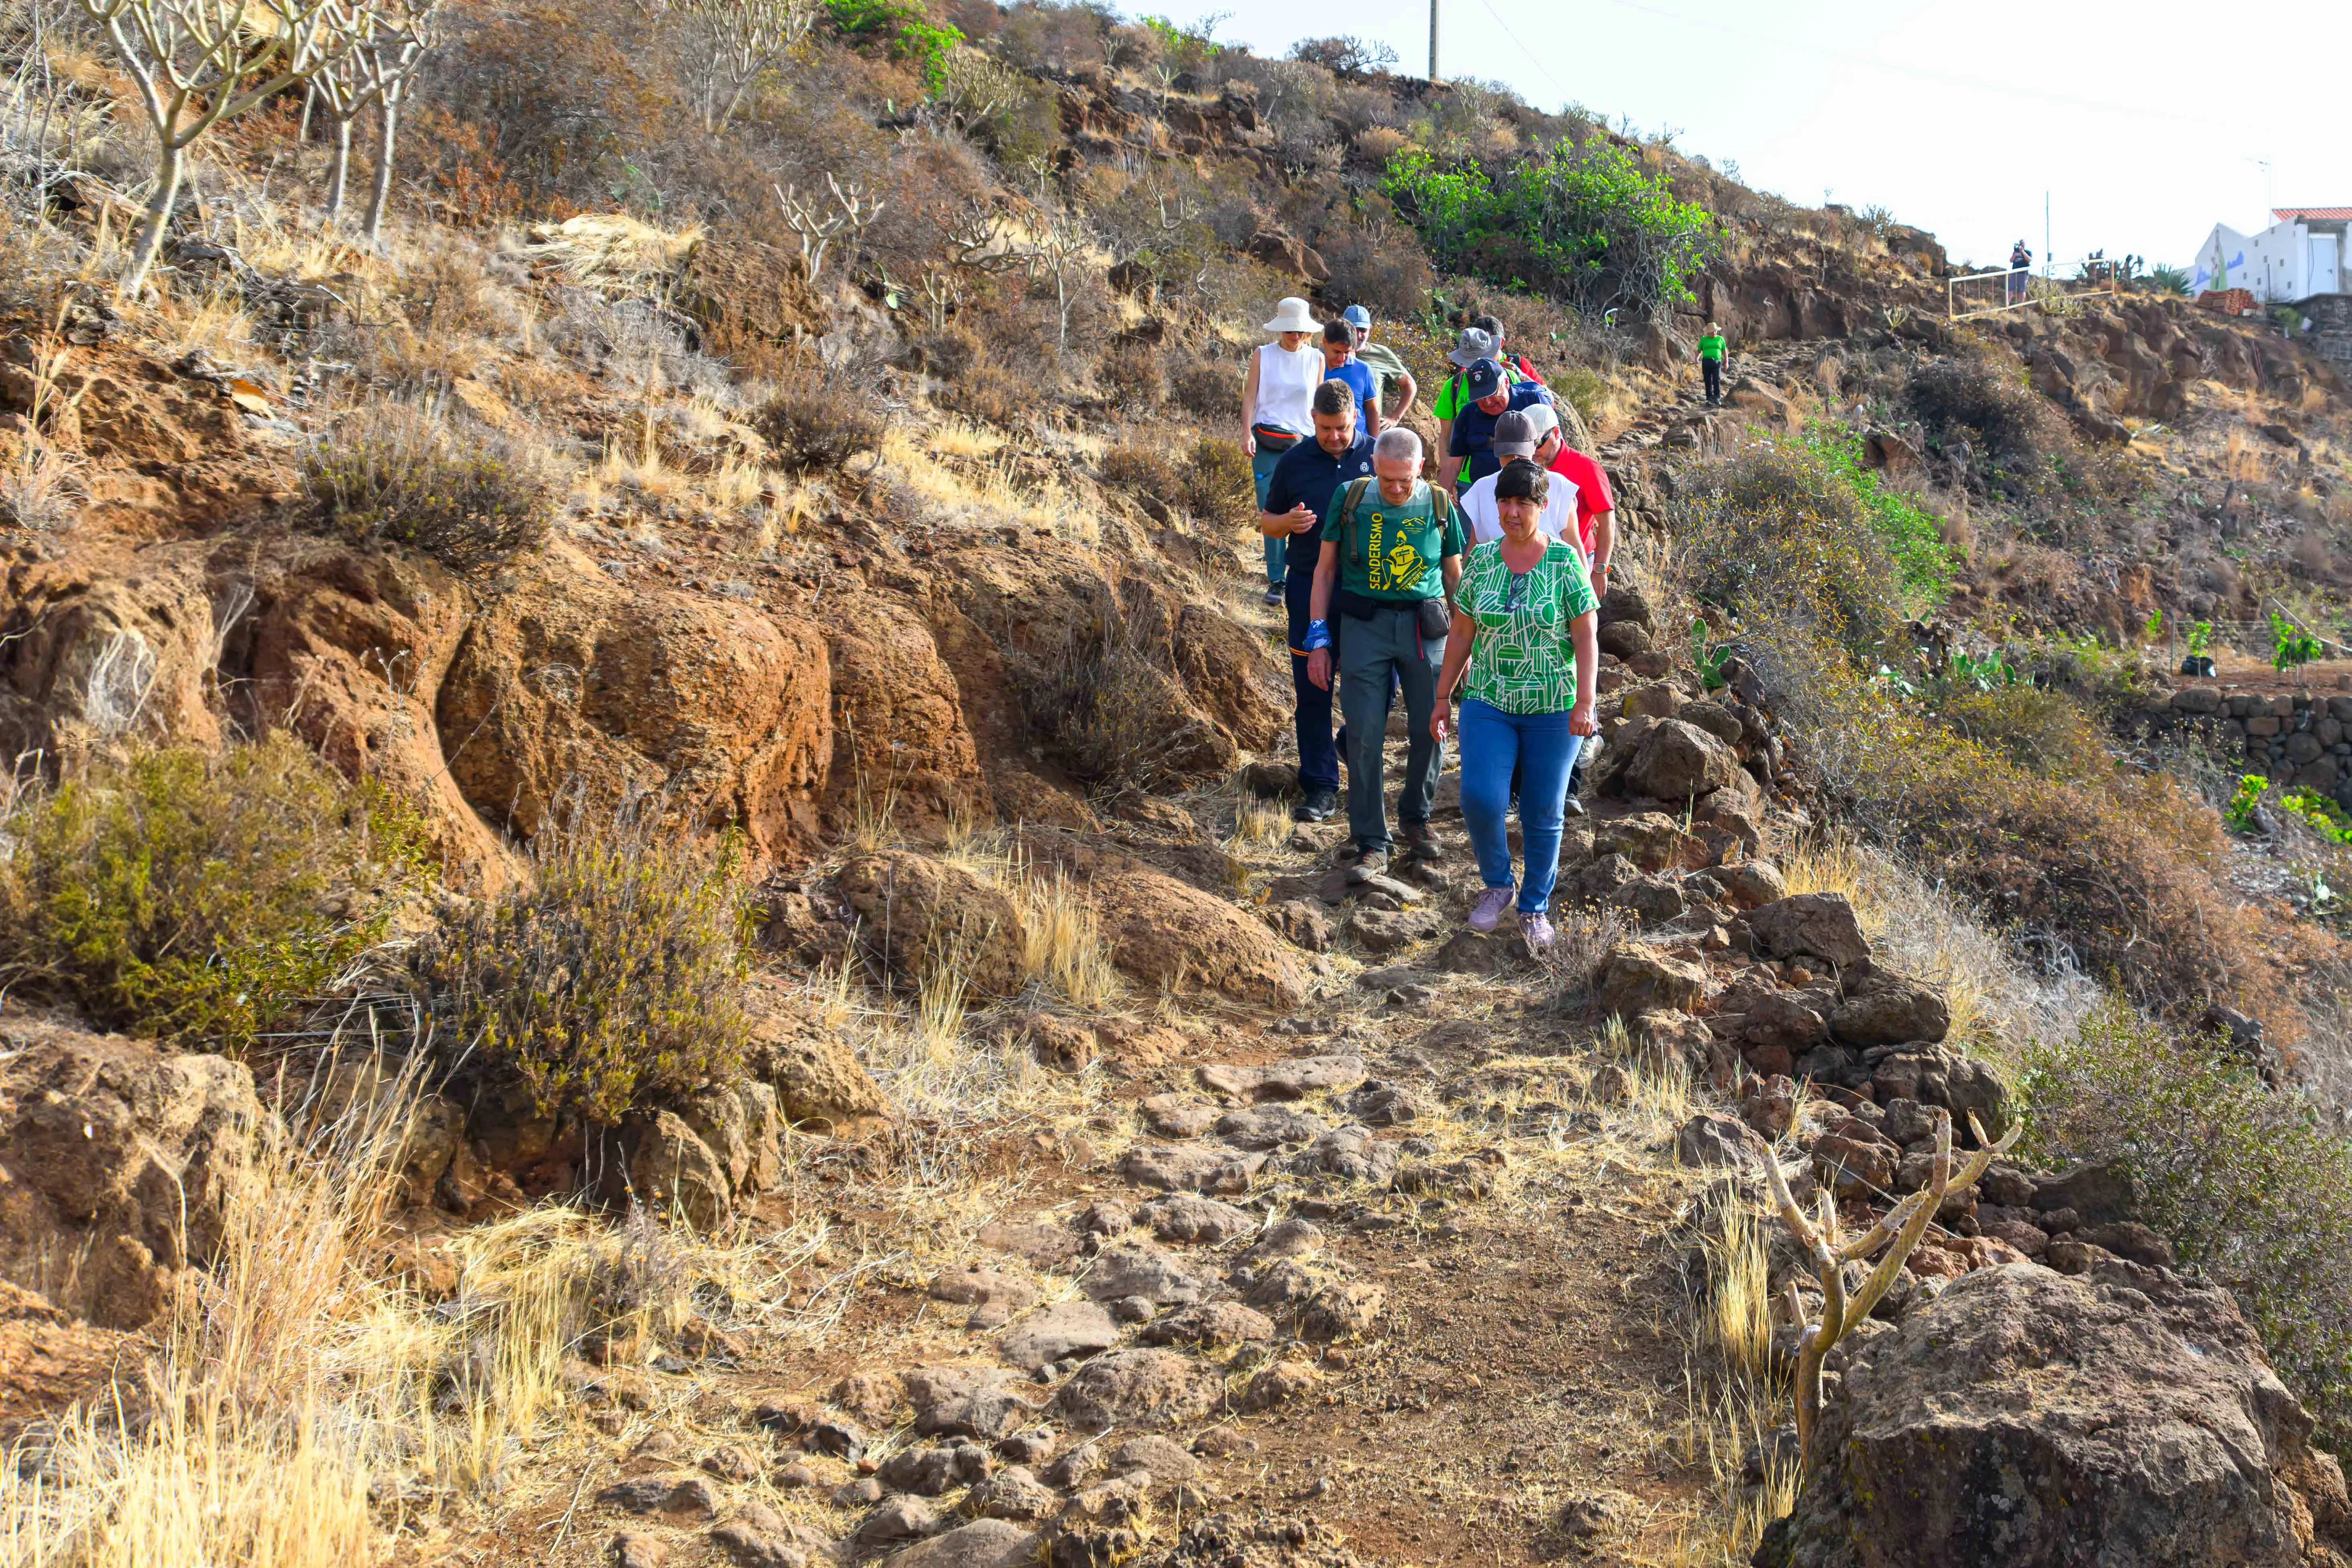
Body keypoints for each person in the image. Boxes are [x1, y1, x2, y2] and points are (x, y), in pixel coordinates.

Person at [1430, 460, 1599, 950]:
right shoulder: (1482, 561)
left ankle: (1535, 908)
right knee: (1480, 798)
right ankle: (1498, 885)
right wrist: (1442, 697)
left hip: (1554, 705)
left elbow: (1586, 636)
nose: (1512, 512)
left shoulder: (1565, 561)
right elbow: (1462, 632)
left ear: (1543, 507)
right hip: (1489, 699)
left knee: (1543, 809)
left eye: (1523, 503)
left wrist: (1586, 702)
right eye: (1505, 502)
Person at [1303, 427, 1465, 883]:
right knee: (1364, 734)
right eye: (1387, 479)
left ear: (1421, 468)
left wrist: (1465, 642)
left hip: (1425, 628)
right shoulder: (1350, 498)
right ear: (1374, 465)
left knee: (1431, 727)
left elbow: (1454, 576)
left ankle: (1416, 816)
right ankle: (1371, 839)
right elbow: (1324, 571)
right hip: (1364, 626)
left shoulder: (1439, 504)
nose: (1395, 489)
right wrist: (1319, 638)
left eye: (1405, 480)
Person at [1259, 379, 1376, 824]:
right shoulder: (1294, 461)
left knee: (1380, 687)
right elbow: (1267, 522)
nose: (1334, 436)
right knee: (1313, 689)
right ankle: (1321, 786)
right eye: (1325, 428)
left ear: (1355, 418)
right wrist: (1287, 522)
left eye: (1342, 428)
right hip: (1309, 587)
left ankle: (1347, 742)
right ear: (1313, 419)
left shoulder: (1377, 455)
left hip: (1369, 590)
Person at [1242, 297, 1325, 606]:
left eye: (1300, 330)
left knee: (1305, 510)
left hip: (1303, 442)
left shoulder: (1316, 359)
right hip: (1266, 441)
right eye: (1290, 330)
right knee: (1272, 510)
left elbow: (1318, 405)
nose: (1295, 335)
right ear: (1280, 328)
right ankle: (1276, 580)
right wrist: (1245, 433)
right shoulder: (1262, 355)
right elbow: (1250, 397)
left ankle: (1302, 575)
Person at [1458, 411, 1577, 546]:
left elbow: (1574, 544)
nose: (1514, 460)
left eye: (1521, 454)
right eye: (1507, 454)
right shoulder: (1482, 489)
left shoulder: (1558, 487)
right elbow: (1475, 547)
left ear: (1534, 447)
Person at [1445, 357, 1554, 493]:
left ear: (1506, 383)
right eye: (1480, 397)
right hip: (1483, 492)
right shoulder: (1468, 414)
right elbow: (1454, 464)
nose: (1487, 402)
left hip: (1530, 491)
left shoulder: (1533, 401)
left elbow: (1553, 447)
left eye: (1492, 394)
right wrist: (1441, 496)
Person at [1432, 325, 1498, 483]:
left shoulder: (1508, 379)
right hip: (1464, 477)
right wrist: (1450, 478)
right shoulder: (1453, 386)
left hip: (1502, 473)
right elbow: (1445, 435)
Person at [1343, 304, 1418, 430]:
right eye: (1354, 330)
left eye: (1363, 330)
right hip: (1338, 429)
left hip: (1370, 432)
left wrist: (1394, 419)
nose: (1359, 335)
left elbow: (1410, 385)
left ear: (1370, 329)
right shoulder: (1332, 353)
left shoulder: (1382, 354)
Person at [1318, 319, 1381, 436]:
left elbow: (1372, 410)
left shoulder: (1363, 370)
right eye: (1337, 352)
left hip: (1358, 442)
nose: (1342, 358)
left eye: (1347, 352)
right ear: (1325, 342)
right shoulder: (1312, 365)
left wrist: (1374, 443)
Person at [1698, 320, 1727, 407]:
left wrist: (1726, 362)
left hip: (1717, 362)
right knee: (1707, 380)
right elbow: (1699, 351)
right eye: (1712, 332)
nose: (1714, 333)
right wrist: (1697, 359)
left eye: (1715, 331)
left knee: (1717, 379)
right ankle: (1709, 398)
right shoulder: (1704, 339)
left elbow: (1725, 351)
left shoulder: (1720, 339)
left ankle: (1717, 397)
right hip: (1706, 361)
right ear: (1708, 332)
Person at [2008, 240, 2032, 306]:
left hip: (2023, 274)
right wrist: (2016, 253)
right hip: (2014, 273)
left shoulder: (2028, 252)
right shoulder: (2015, 252)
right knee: (2010, 289)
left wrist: (2023, 252)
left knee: (2022, 290)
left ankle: (2021, 305)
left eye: (2022, 244)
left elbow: (2029, 260)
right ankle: (2007, 303)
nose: (2021, 245)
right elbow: (2011, 260)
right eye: (2020, 244)